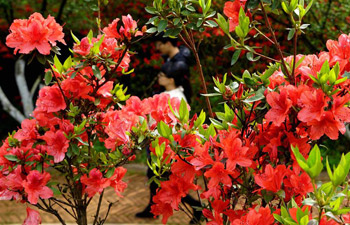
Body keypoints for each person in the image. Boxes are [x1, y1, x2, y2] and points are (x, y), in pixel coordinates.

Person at [135, 36, 201, 224]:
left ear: (170, 78)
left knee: (165, 180)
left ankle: (197, 208)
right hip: (157, 143)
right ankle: (153, 207)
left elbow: (175, 124)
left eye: (163, 75)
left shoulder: (175, 98)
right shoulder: (169, 94)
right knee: (155, 176)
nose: (159, 77)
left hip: (164, 145)